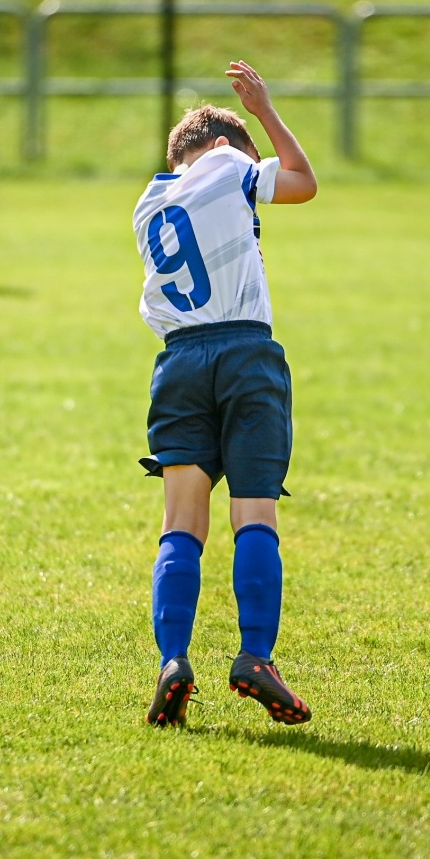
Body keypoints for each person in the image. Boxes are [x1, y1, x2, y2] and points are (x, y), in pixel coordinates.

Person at [133, 61, 318, 728]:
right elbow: (302, 182)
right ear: (225, 149)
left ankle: (173, 660)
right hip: (245, 353)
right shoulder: (229, 164)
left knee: (180, 523)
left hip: (179, 361)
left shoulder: (149, 202)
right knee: (254, 515)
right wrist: (265, 111)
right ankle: (256, 656)